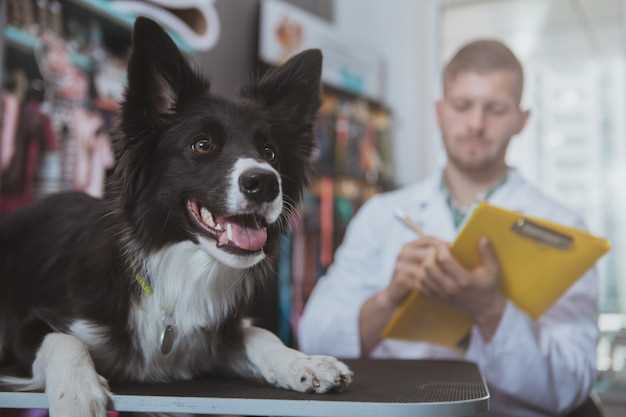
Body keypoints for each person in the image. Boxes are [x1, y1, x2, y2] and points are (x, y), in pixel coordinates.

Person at [298, 39, 598, 417]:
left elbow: (572, 384)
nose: (476, 124)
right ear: (440, 112)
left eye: (495, 109)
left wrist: (490, 309)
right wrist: (390, 299)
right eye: (462, 106)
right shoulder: (382, 214)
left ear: (522, 121)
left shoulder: (563, 227)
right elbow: (313, 342)